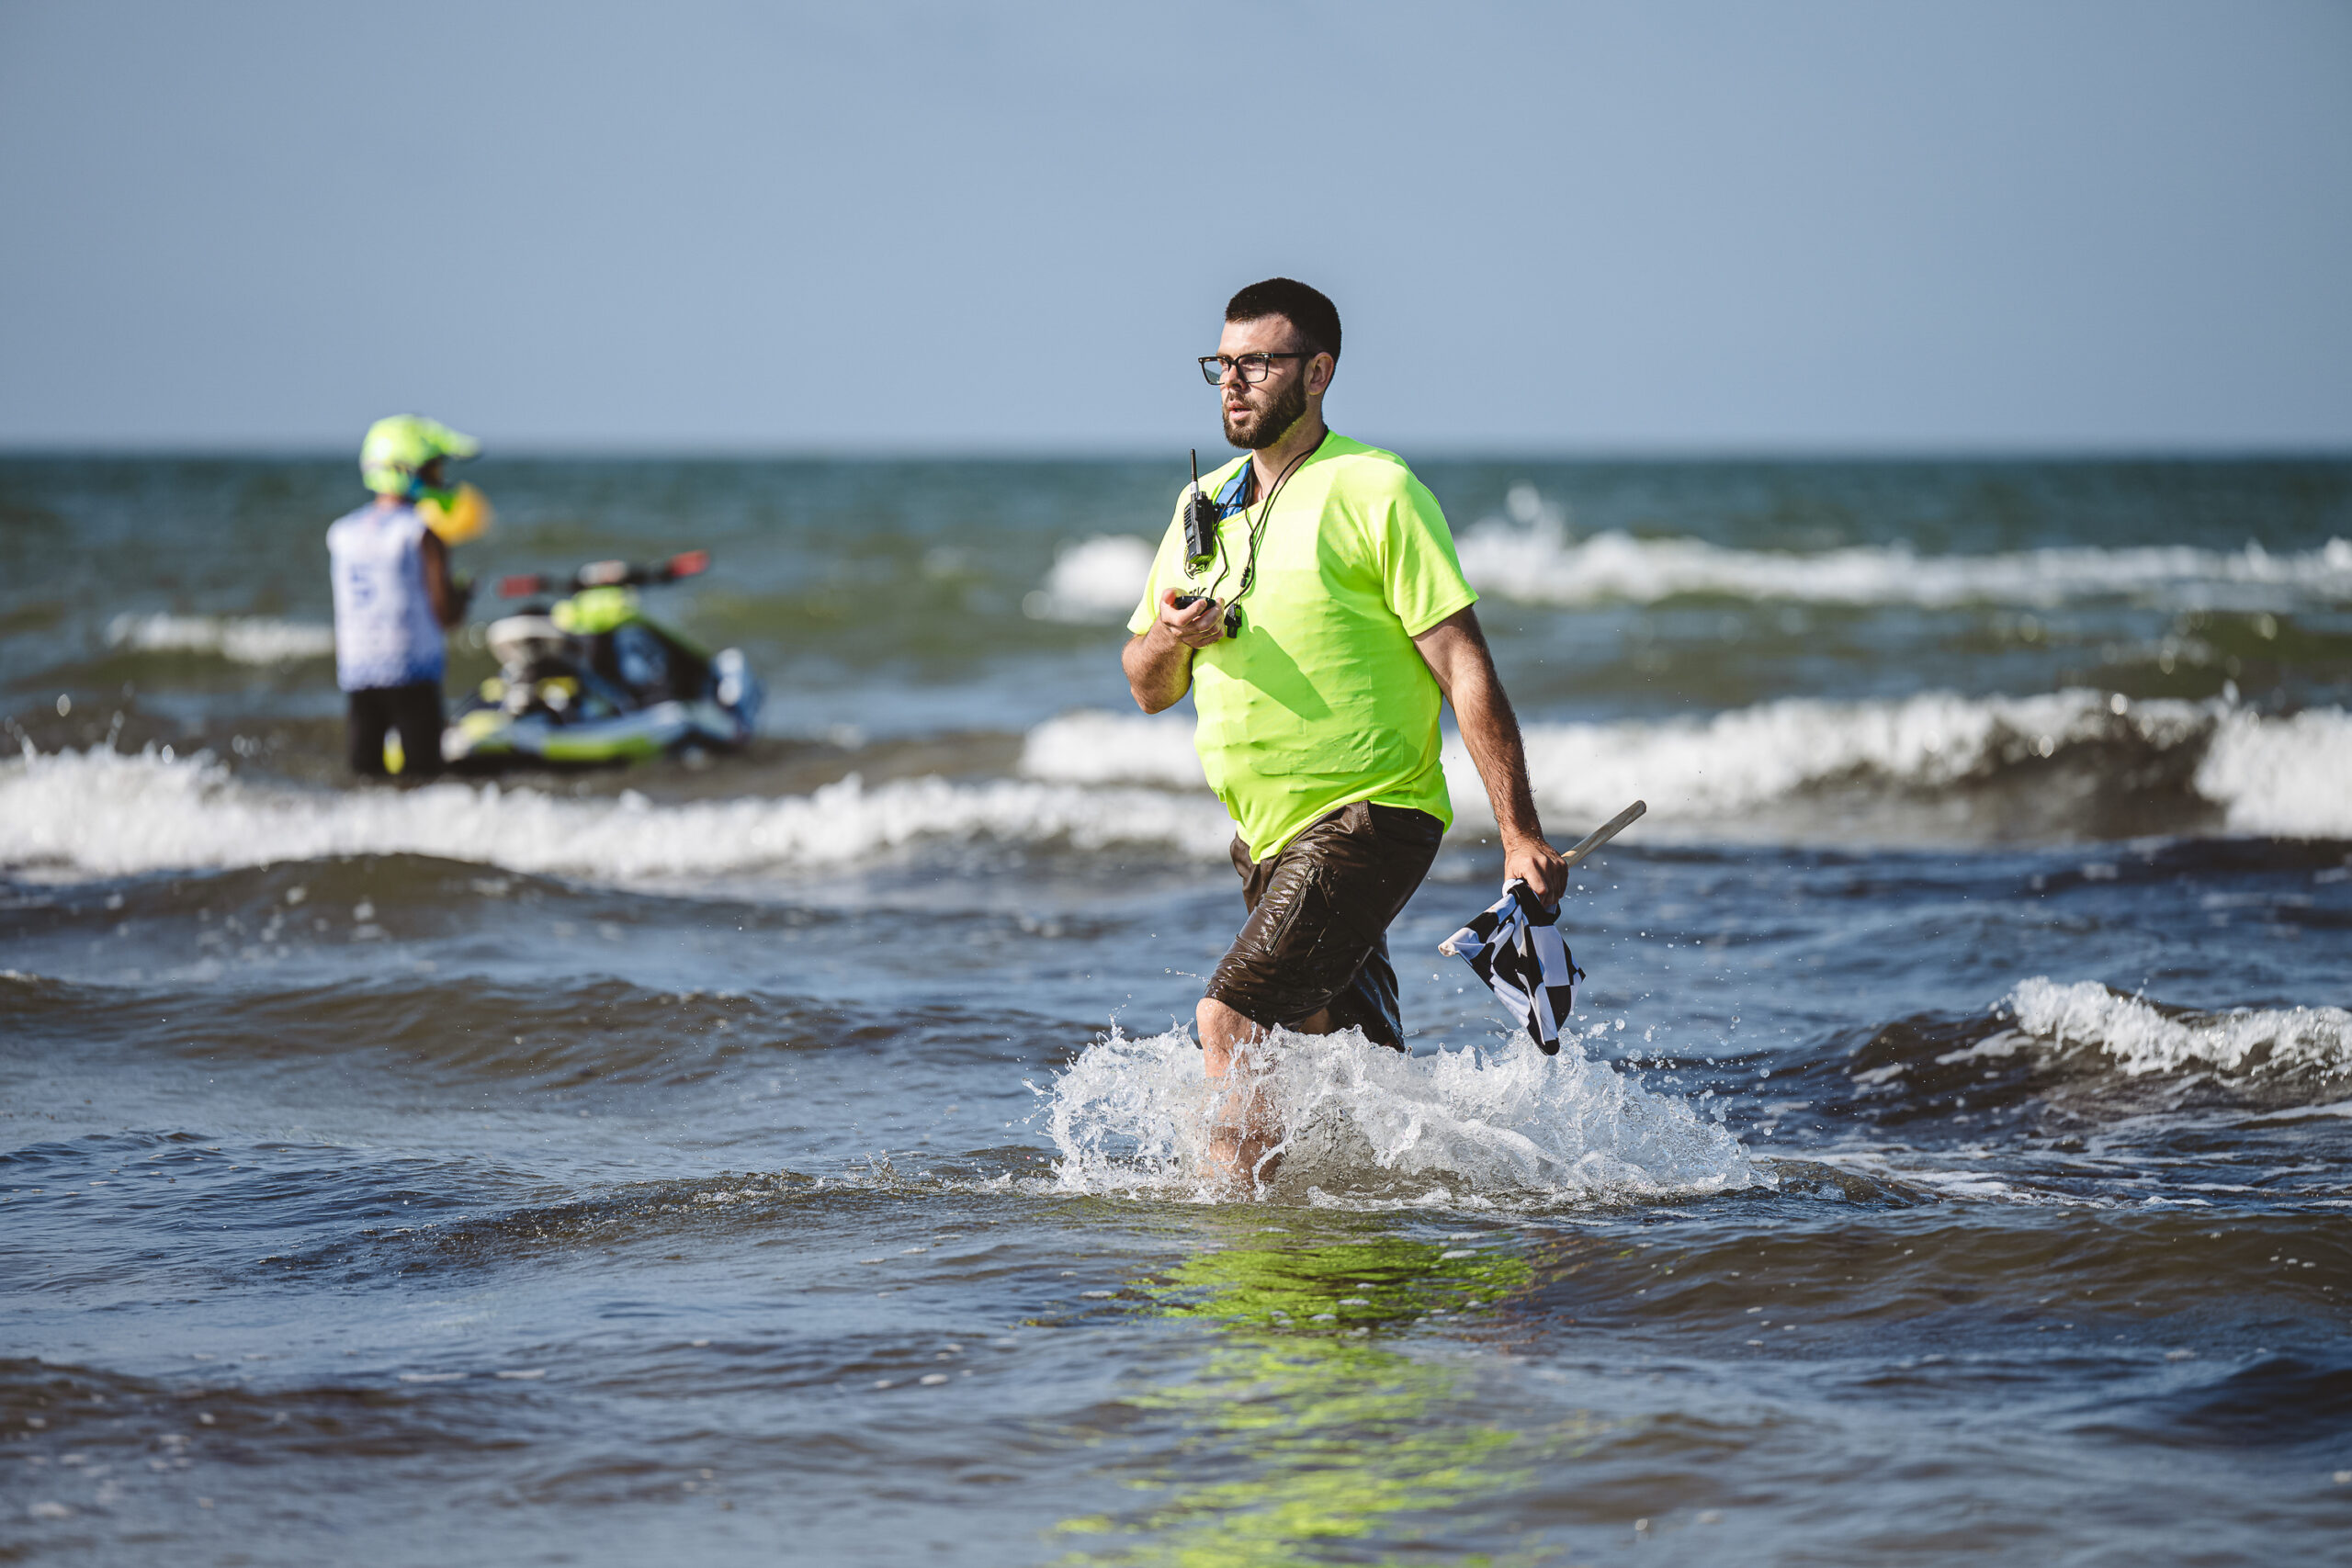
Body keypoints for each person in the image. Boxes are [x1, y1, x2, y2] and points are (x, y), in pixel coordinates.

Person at [1122, 278, 1569, 1187]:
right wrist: (1172, 636)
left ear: (1317, 372)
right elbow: (1145, 684)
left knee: (1229, 1021)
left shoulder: (1378, 489)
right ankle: (1442, 1204)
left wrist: (1518, 830)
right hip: (1266, 840)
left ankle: (1238, 1235)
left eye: (1258, 363)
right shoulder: (1201, 505)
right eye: (1222, 364)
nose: (1232, 382)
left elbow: (1462, 663)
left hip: (1371, 816)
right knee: (1343, 1064)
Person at [327, 414, 487, 778]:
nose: (440, 479)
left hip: (358, 671)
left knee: (365, 770)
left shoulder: (342, 532)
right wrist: (462, 596)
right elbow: (445, 613)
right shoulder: (422, 531)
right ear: (408, 470)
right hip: (413, 671)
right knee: (423, 772)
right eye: (434, 469)